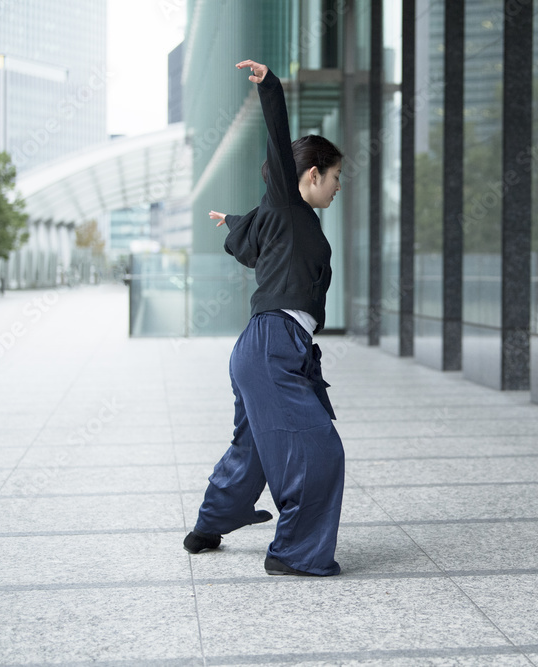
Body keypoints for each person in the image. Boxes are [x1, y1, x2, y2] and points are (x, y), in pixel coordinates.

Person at [183, 59, 345, 577]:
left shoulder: (285, 220)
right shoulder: (288, 204)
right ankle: (294, 555)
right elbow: (278, 144)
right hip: (274, 344)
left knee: (251, 450)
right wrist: (271, 88)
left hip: (268, 347)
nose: (339, 187)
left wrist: (230, 221)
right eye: (336, 176)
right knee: (319, 450)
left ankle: (208, 527)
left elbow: (255, 234)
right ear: (312, 174)